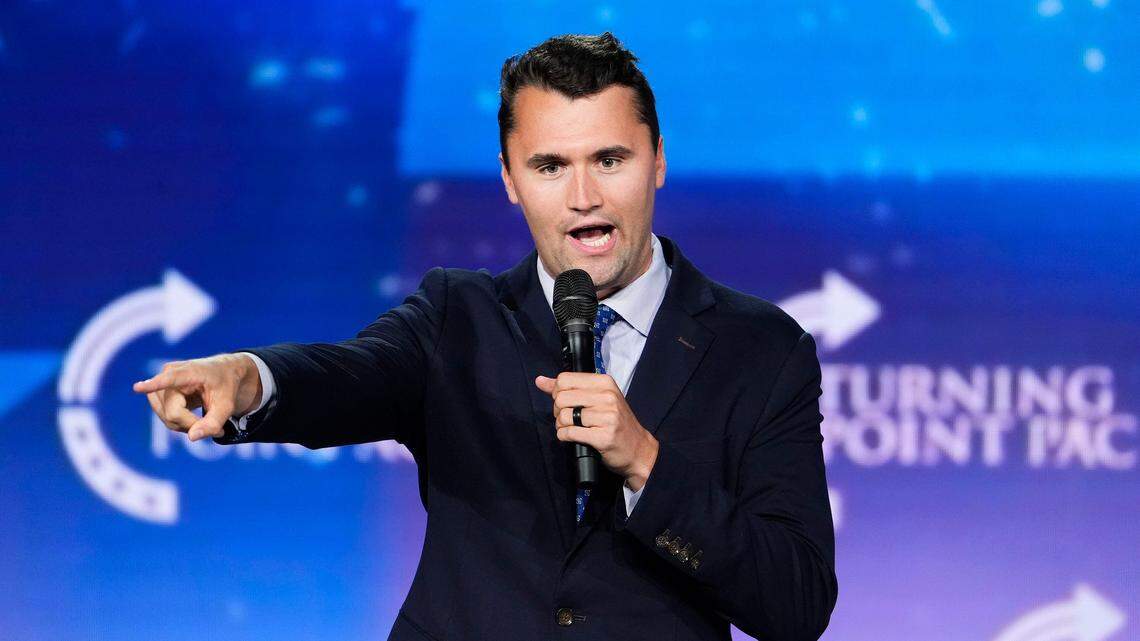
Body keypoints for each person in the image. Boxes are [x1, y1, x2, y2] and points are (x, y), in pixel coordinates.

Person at [134, 32, 837, 641]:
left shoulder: (762, 350)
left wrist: (645, 461)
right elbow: (352, 374)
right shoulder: (458, 316)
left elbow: (796, 601)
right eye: (550, 166)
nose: (584, 195)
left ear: (657, 158)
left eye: (611, 159)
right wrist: (250, 375)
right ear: (509, 178)